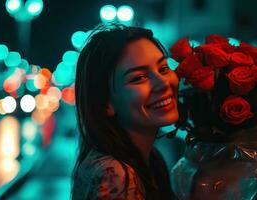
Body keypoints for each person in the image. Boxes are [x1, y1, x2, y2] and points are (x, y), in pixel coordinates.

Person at [71, 24, 179, 200]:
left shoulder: (150, 159)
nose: (163, 83)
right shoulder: (115, 175)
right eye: (138, 78)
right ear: (105, 103)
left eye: (163, 68)